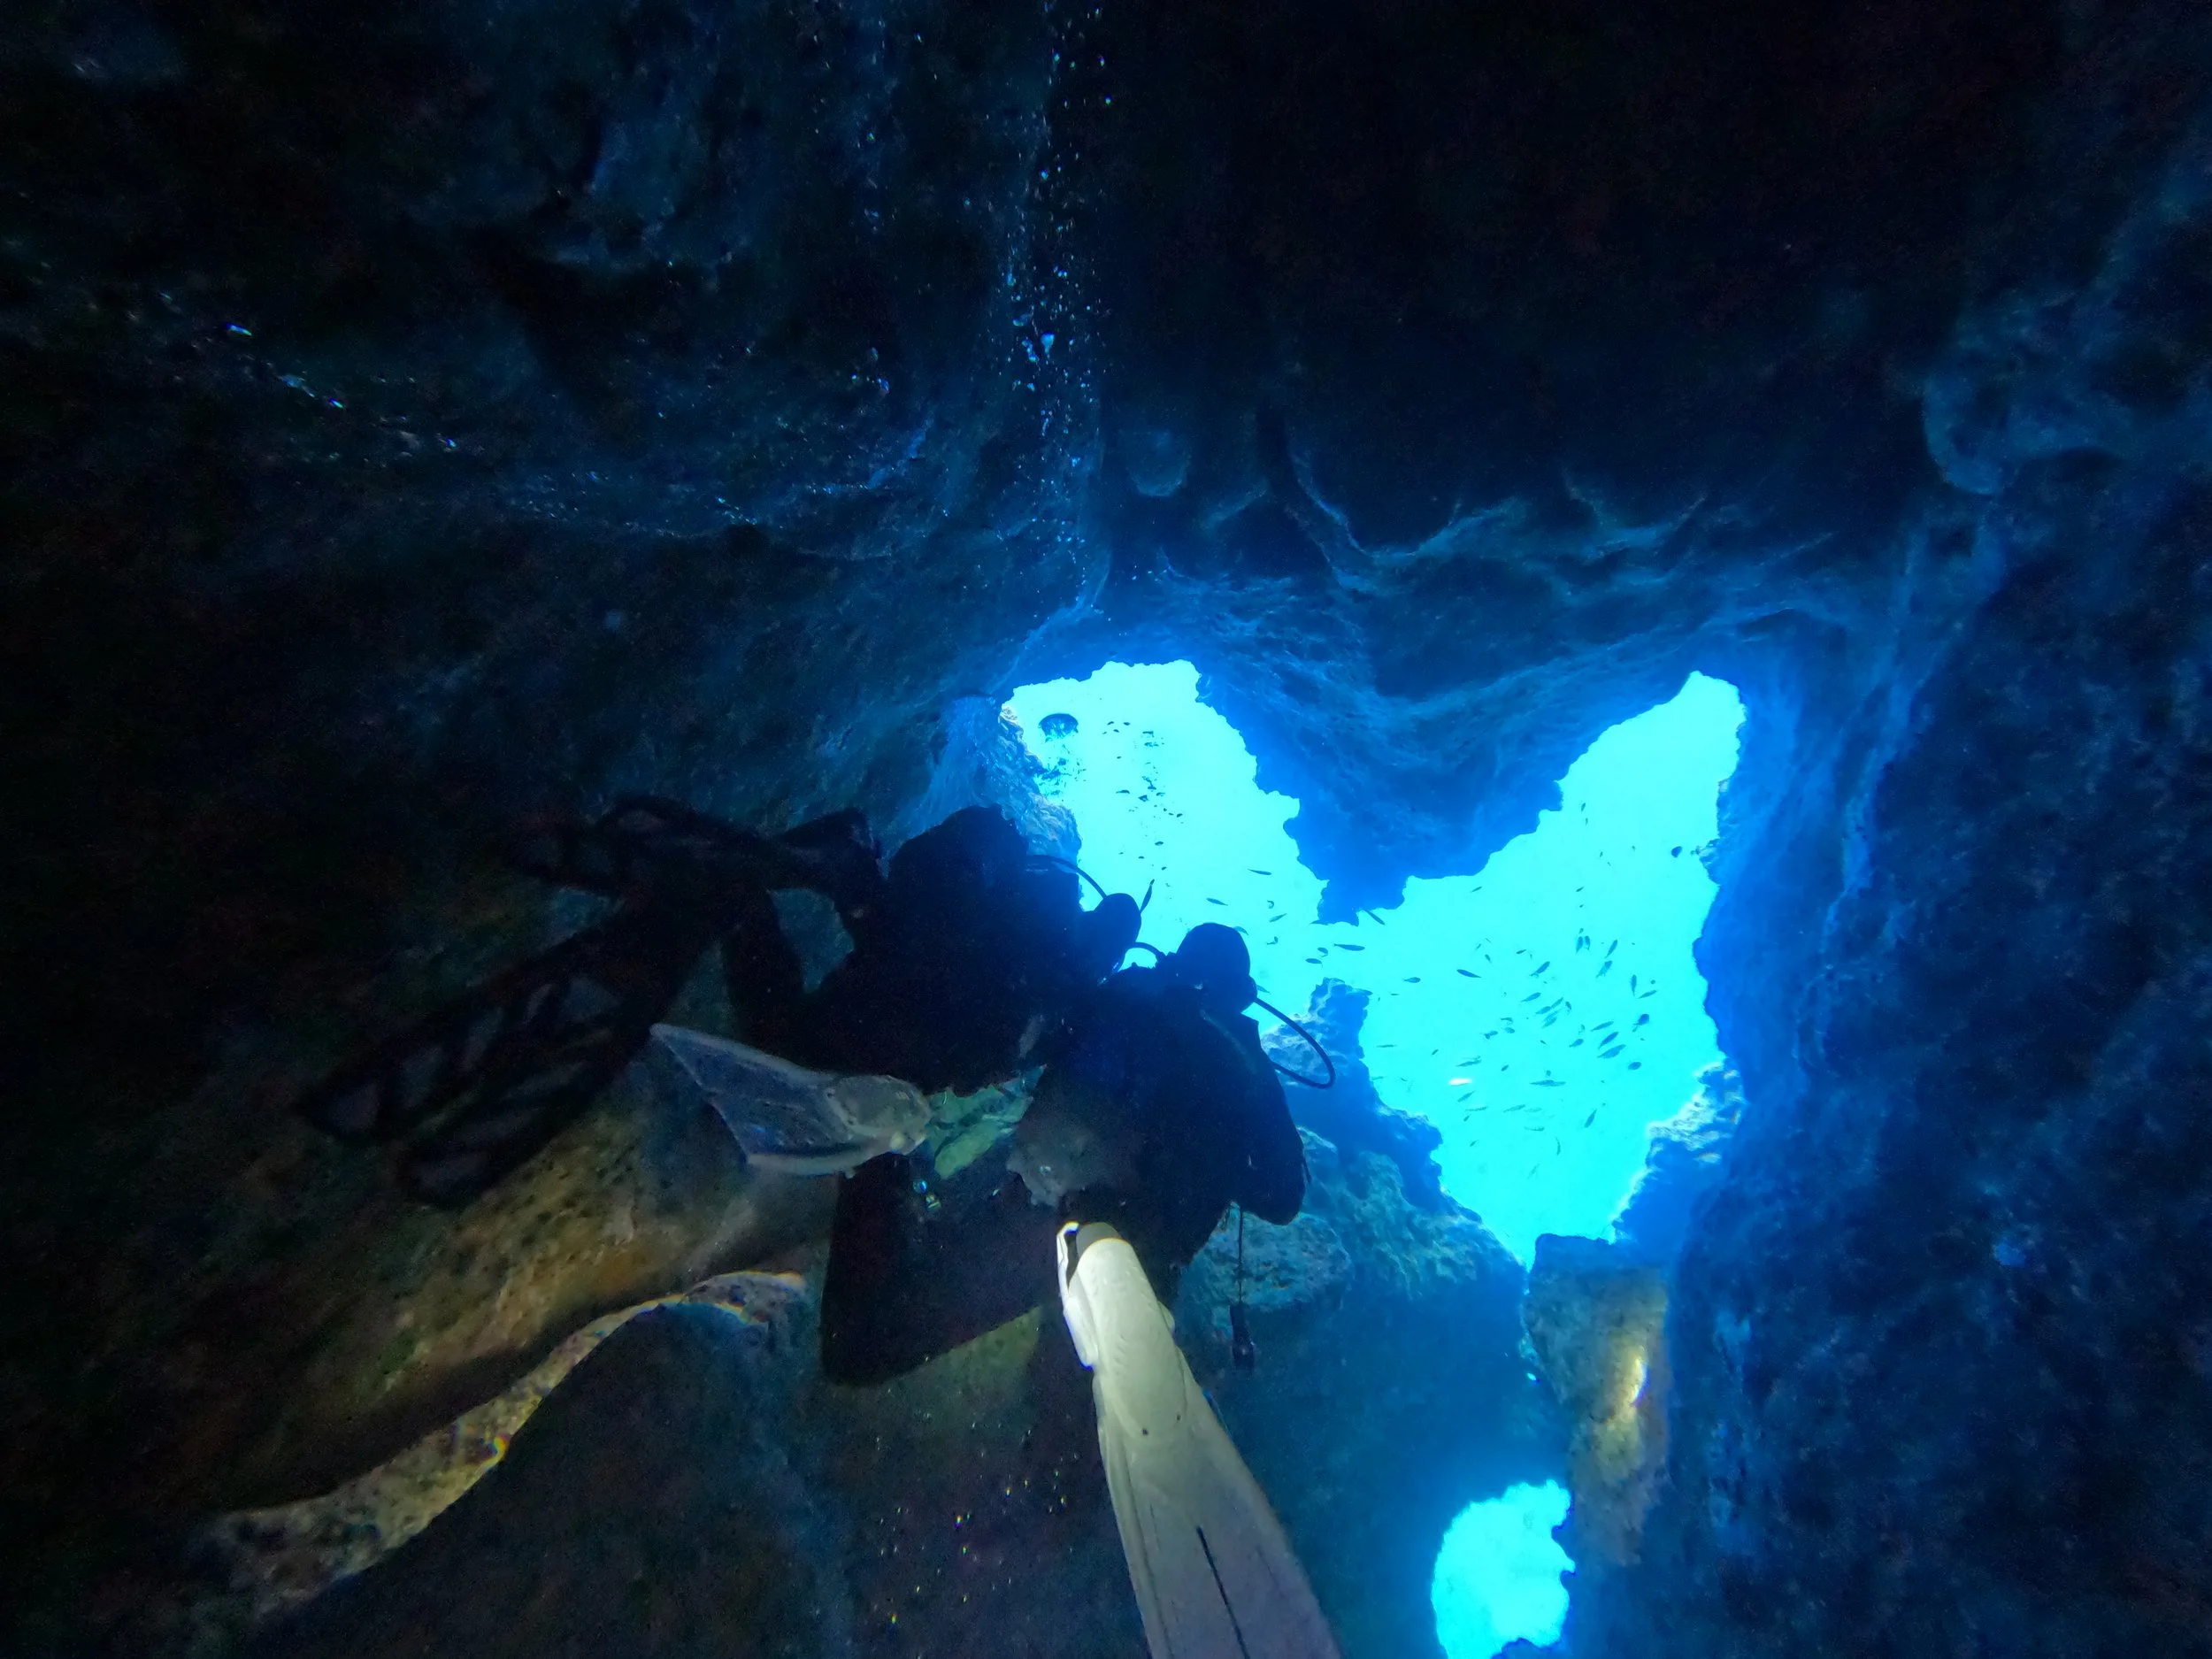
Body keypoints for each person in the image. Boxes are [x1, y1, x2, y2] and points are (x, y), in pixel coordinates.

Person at [296, 799, 1138, 1205]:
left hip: (853, 999)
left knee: (785, 895)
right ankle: (719, 910)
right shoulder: (1074, 995)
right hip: (848, 1076)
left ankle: (785, 875)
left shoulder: (1018, 907)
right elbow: (1021, 1083)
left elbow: (928, 892)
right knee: (780, 930)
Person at [818, 921, 1308, 1383]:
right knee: (1082, 1409)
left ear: (1176, 961)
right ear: (1241, 995)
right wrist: (1214, 1157)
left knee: (873, 1339)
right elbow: (1283, 1198)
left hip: (1037, 1197)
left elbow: (1028, 1044)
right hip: (1129, 1258)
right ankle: (881, 1173)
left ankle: (876, 1162)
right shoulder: (1246, 1065)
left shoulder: (1126, 994)